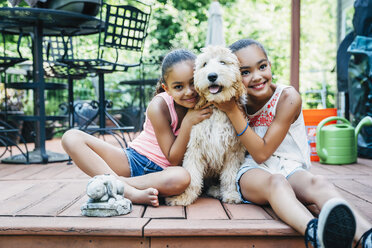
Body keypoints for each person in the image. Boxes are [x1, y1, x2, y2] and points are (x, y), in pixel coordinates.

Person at [213, 38, 372, 248]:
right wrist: (233, 109)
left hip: (290, 165)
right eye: (245, 72)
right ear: (234, 76)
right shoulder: (234, 101)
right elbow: (258, 158)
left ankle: (367, 237)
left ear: (270, 65)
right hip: (251, 171)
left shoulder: (287, 97)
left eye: (262, 66)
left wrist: (233, 113)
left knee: (319, 182)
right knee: (276, 182)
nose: (257, 77)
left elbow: (264, 151)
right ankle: (316, 234)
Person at [62, 49, 213, 207]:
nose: (188, 92)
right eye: (178, 87)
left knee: (182, 178)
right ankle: (129, 191)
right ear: (167, 88)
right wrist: (188, 122)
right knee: (71, 138)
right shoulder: (159, 106)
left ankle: (117, 184)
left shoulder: (207, 103)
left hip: (165, 174)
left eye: (192, 83)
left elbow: (176, 164)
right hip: (133, 161)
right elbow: (172, 157)